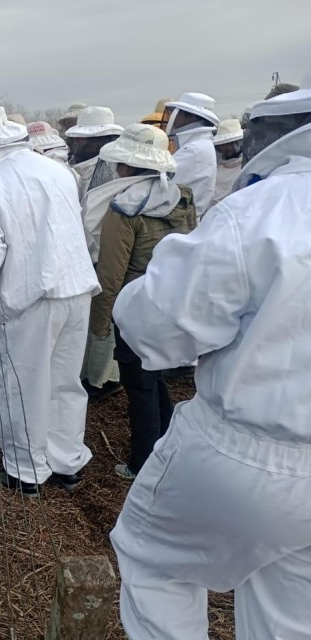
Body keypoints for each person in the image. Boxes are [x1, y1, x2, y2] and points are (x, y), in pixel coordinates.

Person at [109, 89, 311, 639]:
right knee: (292, 617)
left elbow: (160, 325)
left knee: (153, 561)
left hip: (250, 448)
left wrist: (128, 301)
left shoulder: (268, 207)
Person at [0, 104, 99, 496]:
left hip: (31, 298)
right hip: (77, 289)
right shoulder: (56, 171)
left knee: (23, 384)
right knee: (64, 382)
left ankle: (24, 471)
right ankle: (67, 463)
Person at [89, 124, 197, 479]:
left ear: (129, 168)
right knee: (155, 377)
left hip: (136, 308)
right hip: (172, 302)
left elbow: (110, 274)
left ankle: (144, 462)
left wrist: (100, 323)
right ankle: (167, 443)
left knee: (140, 386)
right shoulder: (182, 197)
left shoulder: (124, 209)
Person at [162, 93, 219, 218]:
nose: (172, 118)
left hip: (181, 221)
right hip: (184, 217)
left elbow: (162, 184)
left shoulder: (195, 149)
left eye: (177, 113)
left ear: (190, 116)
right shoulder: (199, 144)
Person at [65, 106, 124, 200]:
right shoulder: (84, 171)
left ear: (98, 140)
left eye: (80, 137)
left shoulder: (110, 173)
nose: (76, 141)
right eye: (76, 137)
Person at [208, 118, 243, 210]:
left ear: (238, 143)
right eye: (222, 144)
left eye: (229, 144)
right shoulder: (216, 167)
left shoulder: (246, 166)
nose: (225, 148)